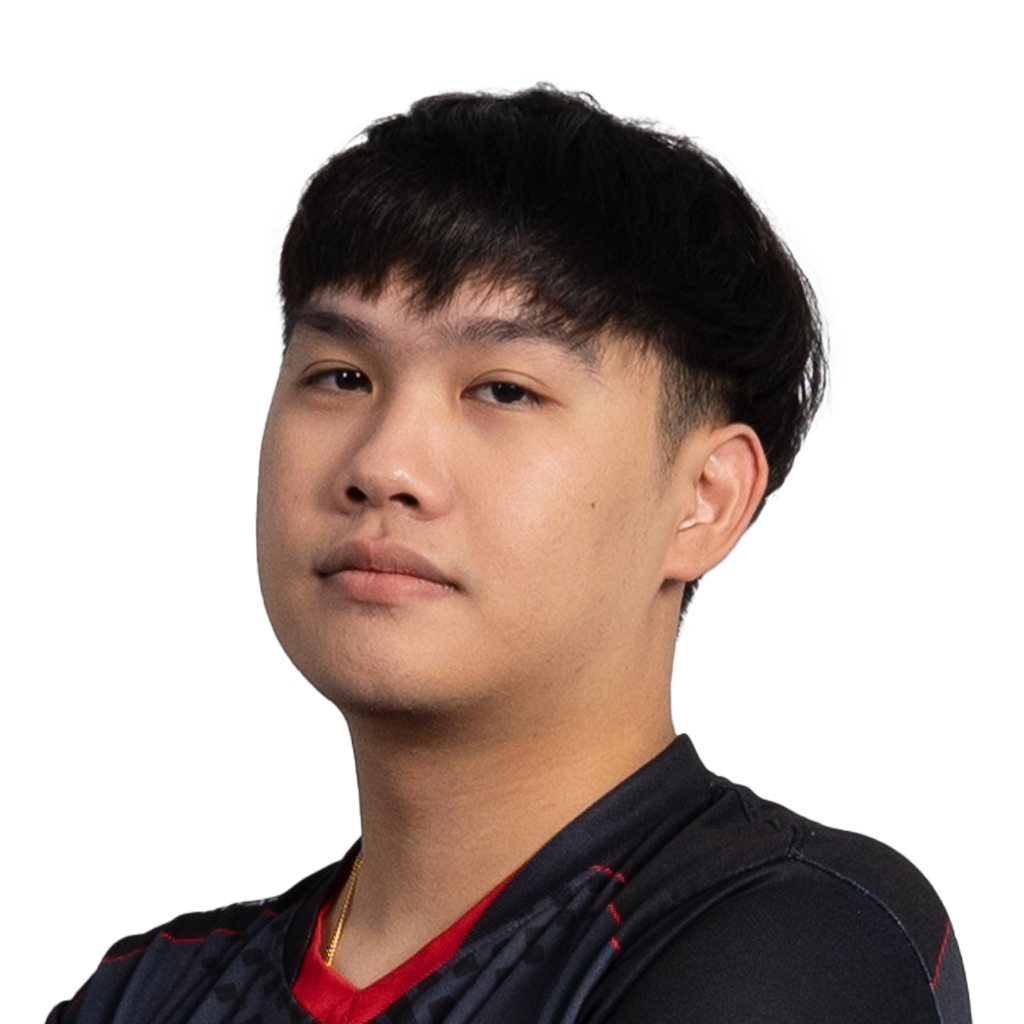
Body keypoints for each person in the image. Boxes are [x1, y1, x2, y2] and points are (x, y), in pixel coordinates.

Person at [48, 81, 972, 1024]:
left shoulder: (802, 938)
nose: (384, 466)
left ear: (704, 499)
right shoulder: (148, 989)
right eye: (342, 376)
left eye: (502, 391)